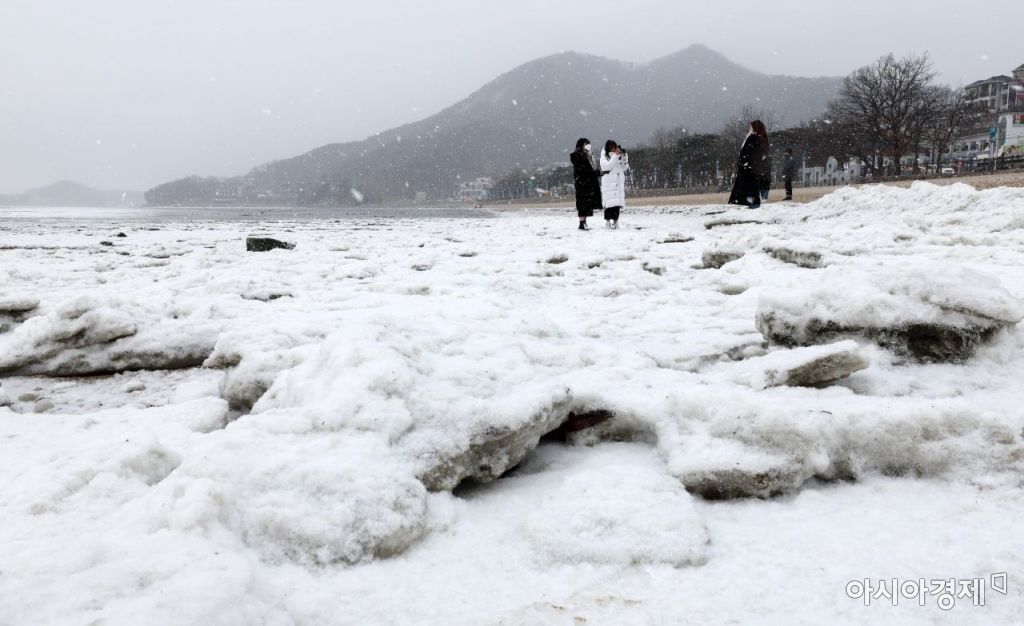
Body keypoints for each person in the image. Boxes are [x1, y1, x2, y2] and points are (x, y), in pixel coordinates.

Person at [728, 120, 770, 208]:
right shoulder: (761, 139)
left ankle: (743, 204)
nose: (749, 129)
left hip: (747, 170)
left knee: (742, 193)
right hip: (754, 170)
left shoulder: (753, 138)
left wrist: (742, 163)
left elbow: (746, 153)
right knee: (752, 191)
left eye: (751, 127)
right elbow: (760, 156)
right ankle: (751, 203)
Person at [570, 138, 601, 230]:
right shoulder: (578, 156)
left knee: (587, 204)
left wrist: (595, 173)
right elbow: (583, 170)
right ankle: (582, 223)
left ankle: (584, 222)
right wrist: (594, 173)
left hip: (587, 183)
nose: (588, 146)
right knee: (582, 204)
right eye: (586, 144)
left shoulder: (588, 155)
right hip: (582, 184)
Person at [600, 140, 629, 228]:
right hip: (609, 183)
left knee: (616, 204)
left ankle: (616, 221)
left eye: (614, 147)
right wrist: (616, 155)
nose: (613, 149)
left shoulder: (617, 156)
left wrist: (624, 156)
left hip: (617, 183)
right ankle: (608, 222)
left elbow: (624, 167)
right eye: (611, 147)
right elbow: (607, 166)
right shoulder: (604, 156)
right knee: (609, 204)